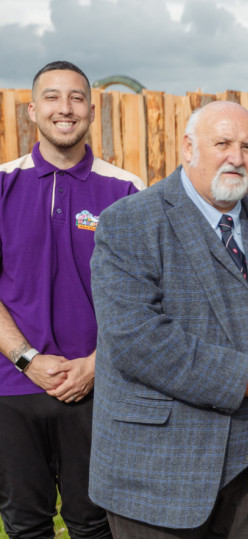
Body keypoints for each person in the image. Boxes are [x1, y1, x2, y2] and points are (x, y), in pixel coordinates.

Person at [88, 100, 248, 537]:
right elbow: (135, 338)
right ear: (187, 148)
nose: (237, 157)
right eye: (223, 143)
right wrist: (243, 378)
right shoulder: (130, 221)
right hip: (158, 475)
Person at [0, 61, 143, 539]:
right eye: (53, 97)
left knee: (96, 523)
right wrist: (28, 360)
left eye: (77, 97)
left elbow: (148, 298)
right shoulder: (2, 184)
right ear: (33, 109)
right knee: (24, 524)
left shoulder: (127, 191)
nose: (66, 108)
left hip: (99, 386)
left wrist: (96, 365)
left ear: (91, 109)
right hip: (12, 386)